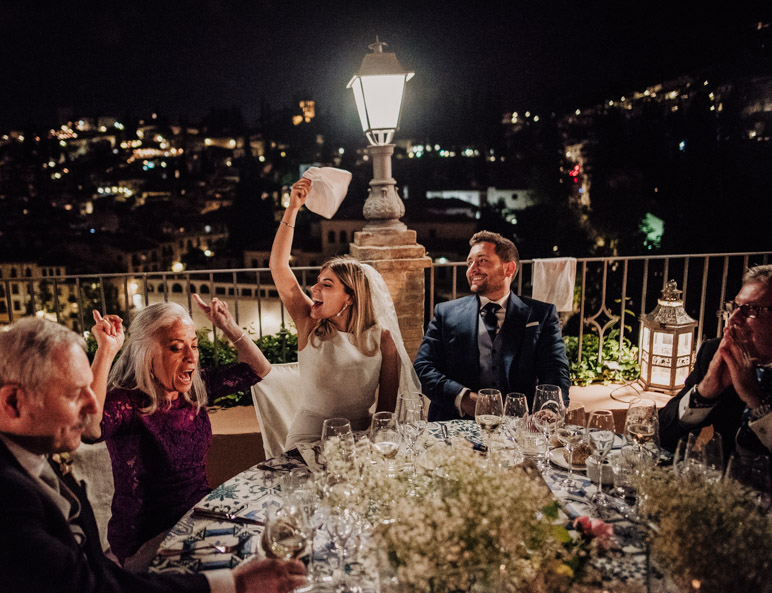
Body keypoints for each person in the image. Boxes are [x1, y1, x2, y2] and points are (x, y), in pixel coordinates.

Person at [0, 316, 304, 593]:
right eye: (73, 392)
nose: (90, 403)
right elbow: (89, 592)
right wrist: (234, 587)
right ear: (12, 401)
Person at [84, 296, 271, 564]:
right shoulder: (129, 402)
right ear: (146, 354)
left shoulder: (194, 389)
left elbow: (258, 369)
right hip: (148, 537)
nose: (191, 356)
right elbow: (90, 428)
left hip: (200, 518)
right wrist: (106, 350)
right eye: (176, 348)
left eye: (194, 345)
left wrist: (227, 324)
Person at [270, 178, 420, 449]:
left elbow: (385, 412)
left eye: (326, 285)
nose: (314, 289)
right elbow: (279, 267)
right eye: (317, 281)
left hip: (360, 439)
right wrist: (292, 209)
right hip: (308, 439)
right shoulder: (309, 324)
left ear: (350, 297)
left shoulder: (382, 339)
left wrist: (371, 447)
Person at [414, 230, 571, 421]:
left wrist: (551, 407)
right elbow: (423, 367)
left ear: (509, 268)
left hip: (520, 425)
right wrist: (463, 398)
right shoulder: (445, 313)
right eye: (469, 262)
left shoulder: (541, 315)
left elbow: (555, 370)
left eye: (482, 261)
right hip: (455, 426)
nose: (472, 269)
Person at [659, 265, 772, 461]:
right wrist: (703, 394)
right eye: (735, 308)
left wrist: (756, 402)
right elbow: (662, 434)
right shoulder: (716, 352)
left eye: (751, 310)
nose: (733, 320)